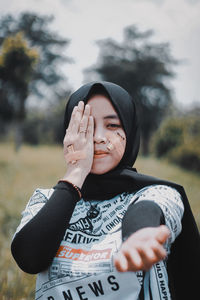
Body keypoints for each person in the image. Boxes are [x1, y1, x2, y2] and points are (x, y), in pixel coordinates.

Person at [11, 81, 200, 300]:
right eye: (87, 126)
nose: (98, 137)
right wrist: (75, 173)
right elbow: (29, 258)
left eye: (112, 126)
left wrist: (139, 234)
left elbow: (148, 209)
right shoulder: (46, 199)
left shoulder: (159, 192)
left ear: (129, 130)